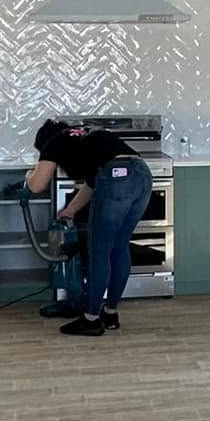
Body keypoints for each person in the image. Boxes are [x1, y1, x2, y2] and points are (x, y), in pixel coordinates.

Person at [25, 118, 153, 338]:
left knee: (99, 251)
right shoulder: (86, 134)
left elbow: (37, 185)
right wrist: (72, 210)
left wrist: (29, 176)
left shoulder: (53, 143)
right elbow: (94, 183)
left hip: (116, 176)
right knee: (119, 247)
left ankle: (91, 319)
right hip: (142, 174)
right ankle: (110, 313)